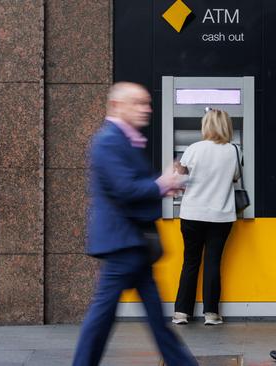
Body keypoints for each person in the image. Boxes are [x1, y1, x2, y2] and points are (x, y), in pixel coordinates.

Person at [72, 82, 197, 366]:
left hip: (133, 242)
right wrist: (161, 183)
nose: (146, 109)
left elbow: (134, 187)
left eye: (147, 103)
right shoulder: (108, 141)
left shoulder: (125, 140)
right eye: (138, 103)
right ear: (117, 106)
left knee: (153, 317)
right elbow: (125, 189)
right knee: (104, 315)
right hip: (122, 242)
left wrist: (164, 186)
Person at [171, 109, 240, 326]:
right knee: (212, 262)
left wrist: (179, 168)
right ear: (226, 126)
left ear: (206, 126)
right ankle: (211, 313)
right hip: (221, 216)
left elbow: (179, 176)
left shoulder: (193, 149)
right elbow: (236, 177)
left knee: (190, 261)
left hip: (192, 214)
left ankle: (182, 313)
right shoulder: (233, 150)